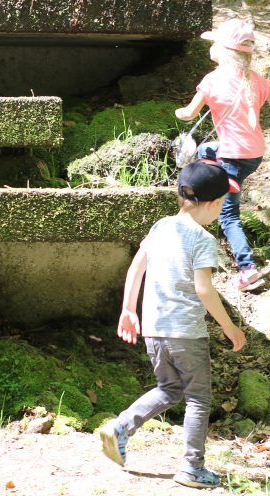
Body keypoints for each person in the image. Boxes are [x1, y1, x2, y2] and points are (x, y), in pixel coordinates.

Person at [99, 159, 247, 489]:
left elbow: (136, 268)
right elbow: (204, 289)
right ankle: (192, 467)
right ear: (212, 203)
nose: (221, 210)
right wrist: (228, 326)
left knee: (169, 388)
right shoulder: (202, 239)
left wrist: (128, 309)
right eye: (222, 203)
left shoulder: (160, 227)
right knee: (198, 398)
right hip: (185, 334)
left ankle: (121, 427)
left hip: (154, 330)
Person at [174, 18, 270, 291]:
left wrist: (178, 112)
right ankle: (221, 180)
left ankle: (248, 270)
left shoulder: (212, 80)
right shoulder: (257, 80)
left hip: (233, 157)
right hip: (253, 154)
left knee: (229, 217)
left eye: (214, 43)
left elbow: (189, 114)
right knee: (205, 150)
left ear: (222, 51)